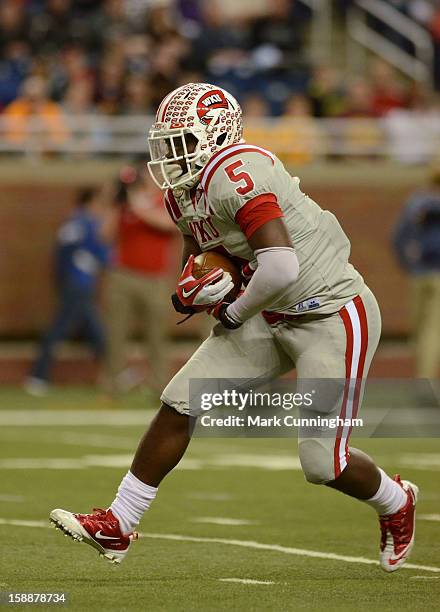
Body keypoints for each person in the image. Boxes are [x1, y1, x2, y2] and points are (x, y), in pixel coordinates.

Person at [50, 83, 418, 573]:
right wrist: (190, 287)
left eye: (180, 141)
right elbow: (203, 255)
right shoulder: (185, 192)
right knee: (181, 400)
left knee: (323, 463)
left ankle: (396, 502)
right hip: (267, 311)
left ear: (217, 135)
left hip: (329, 314)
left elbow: (281, 265)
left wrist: (232, 310)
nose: (168, 153)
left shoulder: (236, 171)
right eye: (165, 141)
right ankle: (119, 523)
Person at [100, 163, 176, 396]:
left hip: (155, 279)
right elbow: (104, 236)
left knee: (156, 336)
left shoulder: (164, 200)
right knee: (115, 333)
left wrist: (138, 206)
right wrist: (115, 204)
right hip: (123, 275)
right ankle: (113, 384)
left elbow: (169, 225)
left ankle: (160, 385)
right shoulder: (124, 206)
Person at [25, 188, 109, 396]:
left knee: (92, 328)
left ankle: (114, 369)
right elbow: (103, 255)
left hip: (73, 282)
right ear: (91, 202)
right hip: (79, 284)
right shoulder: (88, 224)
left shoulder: (71, 223)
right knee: (61, 328)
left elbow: (61, 257)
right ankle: (38, 375)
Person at [393, 169, 440, 379]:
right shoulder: (418, 203)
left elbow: (398, 237)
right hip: (429, 273)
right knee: (427, 330)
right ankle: (425, 380)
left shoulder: (417, 201)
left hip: (420, 272)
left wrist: (408, 263)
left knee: (425, 329)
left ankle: (425, 378)